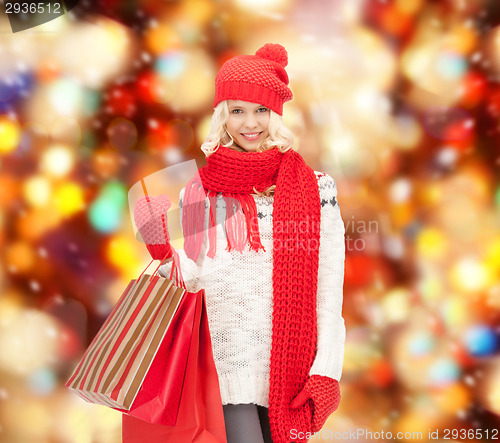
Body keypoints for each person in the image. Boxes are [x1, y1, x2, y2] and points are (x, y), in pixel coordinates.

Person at [160, 43, 346, 443]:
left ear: (276, 114)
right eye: (237, 110)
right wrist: (161, 249)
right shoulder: (199, 192)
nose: (250, 123)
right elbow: (192, 280)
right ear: (222, 115)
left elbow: (329, 292)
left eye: (261, 110)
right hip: (224, 367)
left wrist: (326, 369)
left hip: (290, 370)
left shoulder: (317, 189)